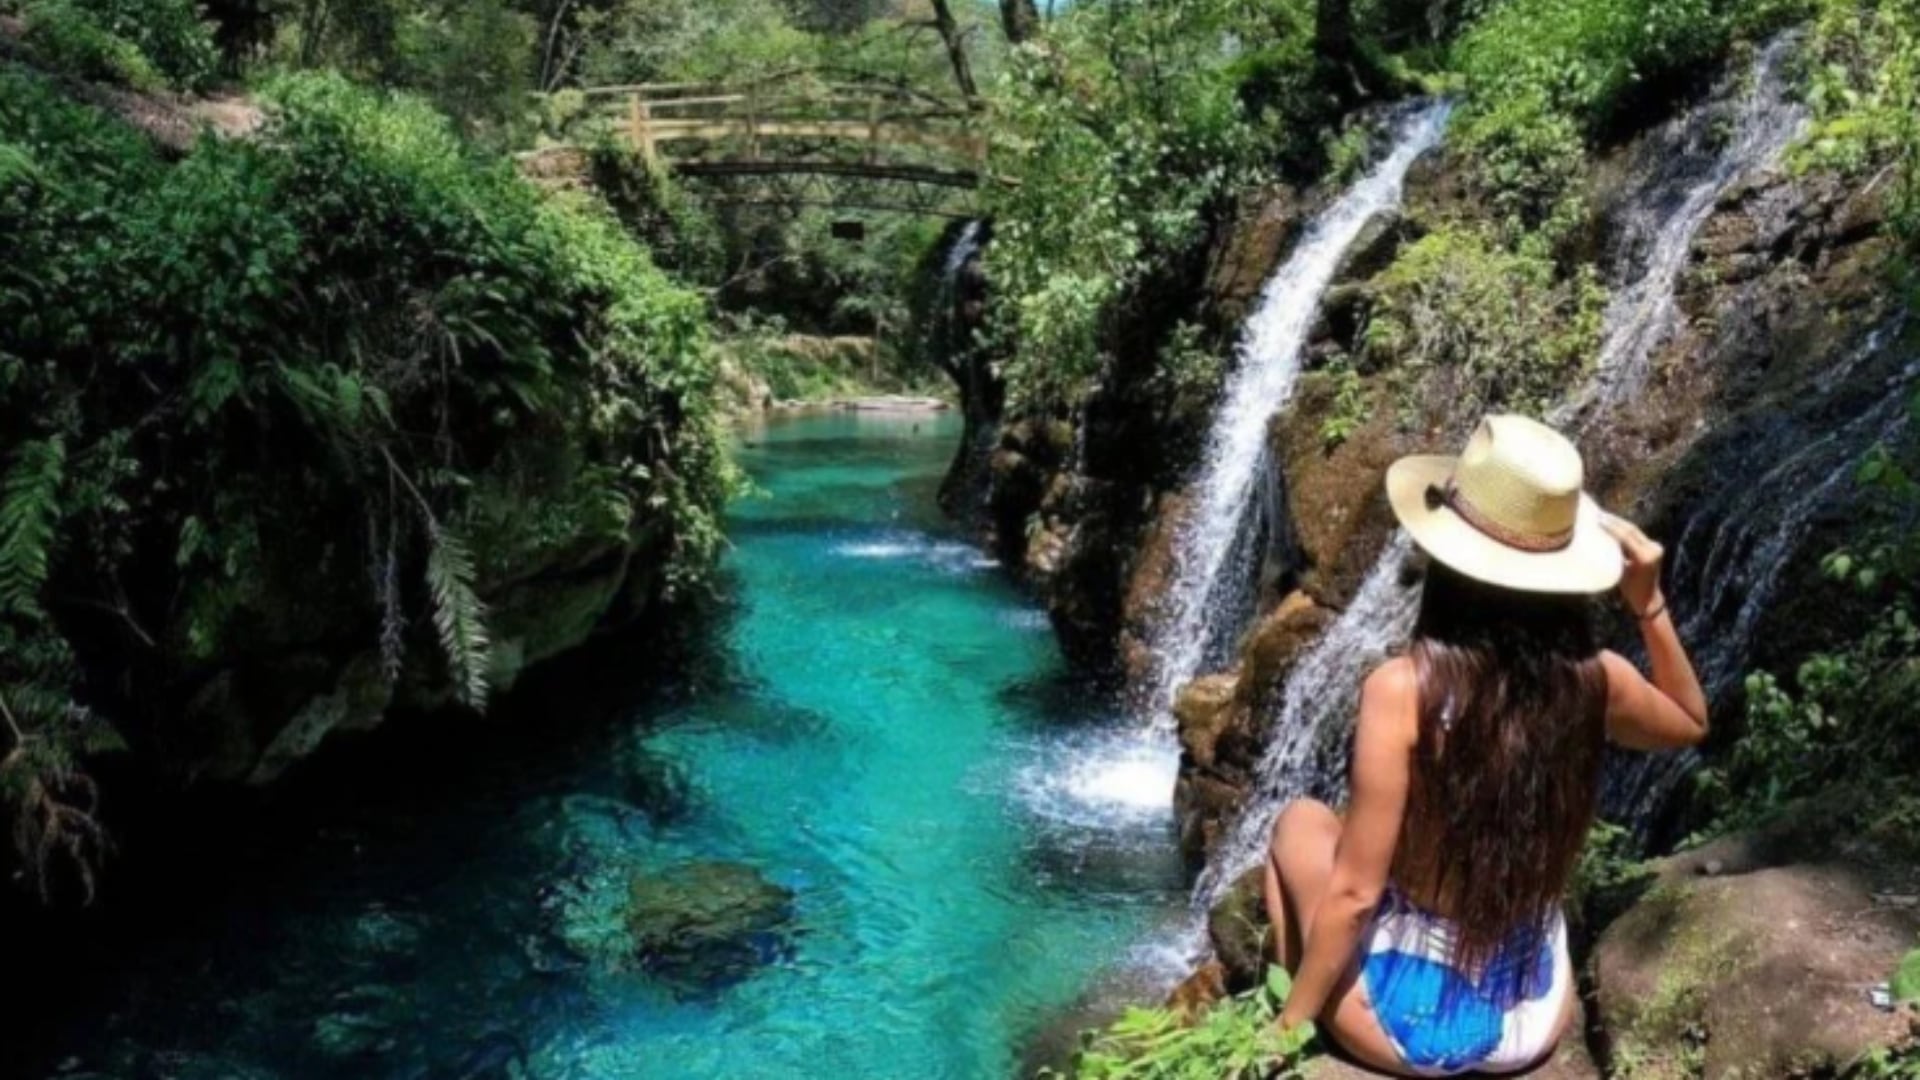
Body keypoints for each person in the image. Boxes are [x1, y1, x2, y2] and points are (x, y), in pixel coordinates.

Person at [1264, 414, 1709, 1077]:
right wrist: (1648, 604)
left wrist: (1282, 1034)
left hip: (1399, 1027)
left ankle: (1285, 1004)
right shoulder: (1596, 679)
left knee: (1301, 822)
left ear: (1451, 559)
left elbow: (1356, 894)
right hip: (1529, 1021)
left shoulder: (1403, 688)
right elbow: (1688, 720)